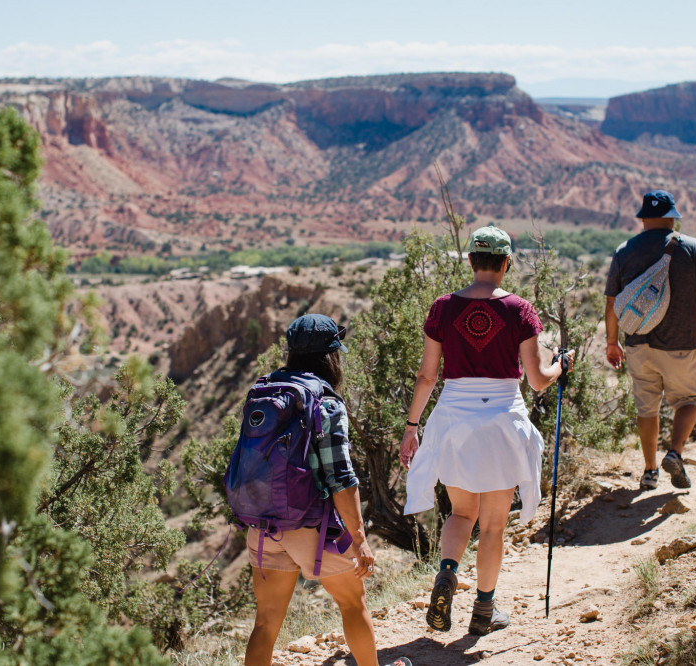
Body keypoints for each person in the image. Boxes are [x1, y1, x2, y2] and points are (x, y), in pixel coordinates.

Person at [399, 226, 573, 636]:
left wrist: (412, 427)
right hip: (501, 418)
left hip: (454, 416)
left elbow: (427, 376)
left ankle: (446, 573)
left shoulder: (442, 308)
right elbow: (536, 379)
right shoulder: (520, 310)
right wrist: (561, 365)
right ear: (506, 263)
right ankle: (483, 611)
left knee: (462, 512)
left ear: (472, 262)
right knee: (494, 524)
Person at [244, 314, 411, 666]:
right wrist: (360, 537)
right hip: (314, 529)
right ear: (329, 357)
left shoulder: (263, 391)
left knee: (266, 622)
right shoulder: (326, 402)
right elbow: (341, 477)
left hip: (264, 525)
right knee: (352, 603)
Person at [604, 190, 696, 491]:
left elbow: (611, 303)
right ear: (673, 217)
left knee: (647, 408)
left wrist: (611, 342)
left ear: (643, 219)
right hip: (681, 345)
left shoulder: (624, 251)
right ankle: (675, 453)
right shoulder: (692, 248)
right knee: (690, 399)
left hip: (637, 344)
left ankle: (649, 471)